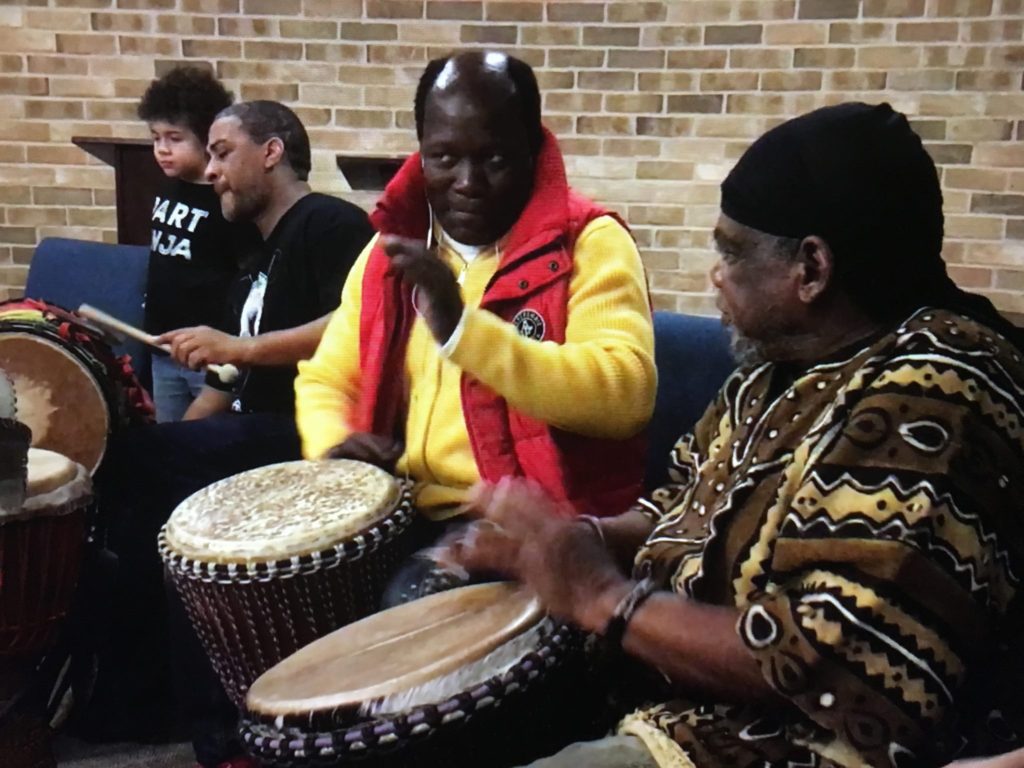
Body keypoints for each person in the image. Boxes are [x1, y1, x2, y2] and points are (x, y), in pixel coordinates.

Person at [446, 103, 1024, 768]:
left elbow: (837, 661)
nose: (715, 274)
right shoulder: (772, 369)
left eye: (732, 251)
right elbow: (680, 504)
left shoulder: (939, 389)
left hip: (785, 744)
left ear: (811, 268)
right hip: (664, 691)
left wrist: (600, 596)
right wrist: (582, 536)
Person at [295, 52, 655, 598]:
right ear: (420, 154)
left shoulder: (590, 243)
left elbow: (624, 395)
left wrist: (464, 330)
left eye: (494, 159)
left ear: (533, 152)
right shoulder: (389, 253)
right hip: (404, 506)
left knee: (409, 604)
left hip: (542, 525)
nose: (468, 182)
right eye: (444, 158)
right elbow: (326, 379)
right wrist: (334, 445)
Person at [82, 101, 374, 768]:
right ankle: (147, 695)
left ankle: (151, 700)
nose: (210, 170)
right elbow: (226, 381)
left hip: (309, 436)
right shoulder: (253, 259)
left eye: (222, 152)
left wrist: (239, 350)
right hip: (254, 426)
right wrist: (171, 434)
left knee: (139, 468)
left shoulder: (329, 223)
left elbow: (355, 326)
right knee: (132, 472)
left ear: (271, 152)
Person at [138, 66, 261, 422]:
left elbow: (243, 280)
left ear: (207, 139)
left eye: (174, 139)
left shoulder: (228, 200)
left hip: (209, 352)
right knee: (169, 439)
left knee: (203, 441)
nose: (162, 149)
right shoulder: (166, 189)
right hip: (163, 348)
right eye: (156, 138)